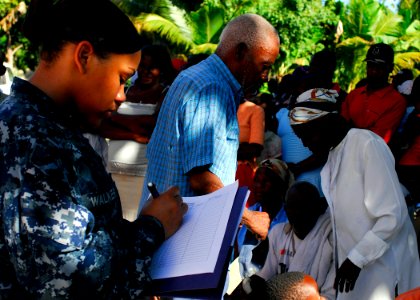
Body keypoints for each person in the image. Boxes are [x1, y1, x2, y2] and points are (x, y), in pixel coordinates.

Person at [0, 0, 188, 298]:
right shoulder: (31, 137)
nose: (121, 96)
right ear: (84, 56)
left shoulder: (52, 127)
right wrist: (152, 228)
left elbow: (87, 236)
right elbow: (63, 280)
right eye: (122, 78)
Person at [141, 13, 280, 240]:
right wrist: (248, 218)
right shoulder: (211, 88)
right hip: (184, 242)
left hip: (169, 233)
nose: (266, 77)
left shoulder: (198, 78)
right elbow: (201, 179)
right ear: (241, 52)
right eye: (264, 66)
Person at [290, 87, 420, 299]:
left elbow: (392, 215)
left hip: (386, 269)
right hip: (358, 273)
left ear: (327, 122)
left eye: (307, 135)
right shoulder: (332, 157)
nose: (306, 144)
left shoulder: (366, 144)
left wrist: (356, 258)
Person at [237, 181, 334, 299]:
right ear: (286, 209)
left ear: (318, 207)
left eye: (303, 207)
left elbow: (329, 296)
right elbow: (266, 274)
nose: (297, 213)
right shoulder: (278, 233)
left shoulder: (330, 240)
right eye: (292, 207)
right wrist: (248, 285)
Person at [236, 159, 294, 278]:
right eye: (256, 180)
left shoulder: (289, 219)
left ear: (281, 186)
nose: (259, 186)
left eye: (266, 181)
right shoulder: (248, 213)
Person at [341, 43, 407, 144]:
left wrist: (349, 128)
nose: (374, 71)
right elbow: (339, 128)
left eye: (379, 67)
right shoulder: (354, 94)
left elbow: (376, 140)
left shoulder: (397, 101)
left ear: (390, 68)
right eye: (370, 66)